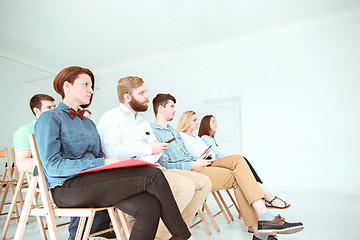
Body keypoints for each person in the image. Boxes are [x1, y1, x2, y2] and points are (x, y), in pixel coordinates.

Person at [34, 67, 195, 240]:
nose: (91, 90)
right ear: (67, 86)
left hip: (94, 183)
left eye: (92, 85)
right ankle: (183, 237)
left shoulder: (88, 124)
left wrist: (114, 164)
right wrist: (103, 163)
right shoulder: (49, 118)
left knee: (149, 206)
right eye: (85, 84)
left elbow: (98, 157)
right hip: (66, 189)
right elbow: (52, 166)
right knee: (153, 175)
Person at [151, 94, 304, 240]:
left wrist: (200, 158)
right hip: (189, 171)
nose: (175, 109)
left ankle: (263, 221)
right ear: (161, 108)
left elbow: (186, 154)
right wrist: (194, 164)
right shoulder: (153, 132)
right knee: (237, 172)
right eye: (172, 106)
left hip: (199, 163)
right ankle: (261, 228)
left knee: (238, 160)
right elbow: (164, 165)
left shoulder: (173, 131)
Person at [97, 76, 211, 240]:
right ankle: (159, 236)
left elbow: (157, 151)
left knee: (204, 183)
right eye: (142, 93)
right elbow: (114, 153)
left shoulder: (143, 123)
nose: (147, 97)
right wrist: (148, 149)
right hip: (130, 173)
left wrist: (150, 152)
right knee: (185, 186)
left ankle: (173, 232)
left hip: (154, 168)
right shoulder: (111, 118)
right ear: (127, 97)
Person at [197, 114, 289, 210]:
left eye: (215, 121)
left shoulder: (210, 138)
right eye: (213, 121)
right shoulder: (204, 138)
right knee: (241, 161)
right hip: (213, 166)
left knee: (243, 170)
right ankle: (267, 196)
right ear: (206, 124)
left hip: (217, 164)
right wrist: (233, 159)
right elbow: (218, 154)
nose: (216, 123)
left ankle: (259, 198)